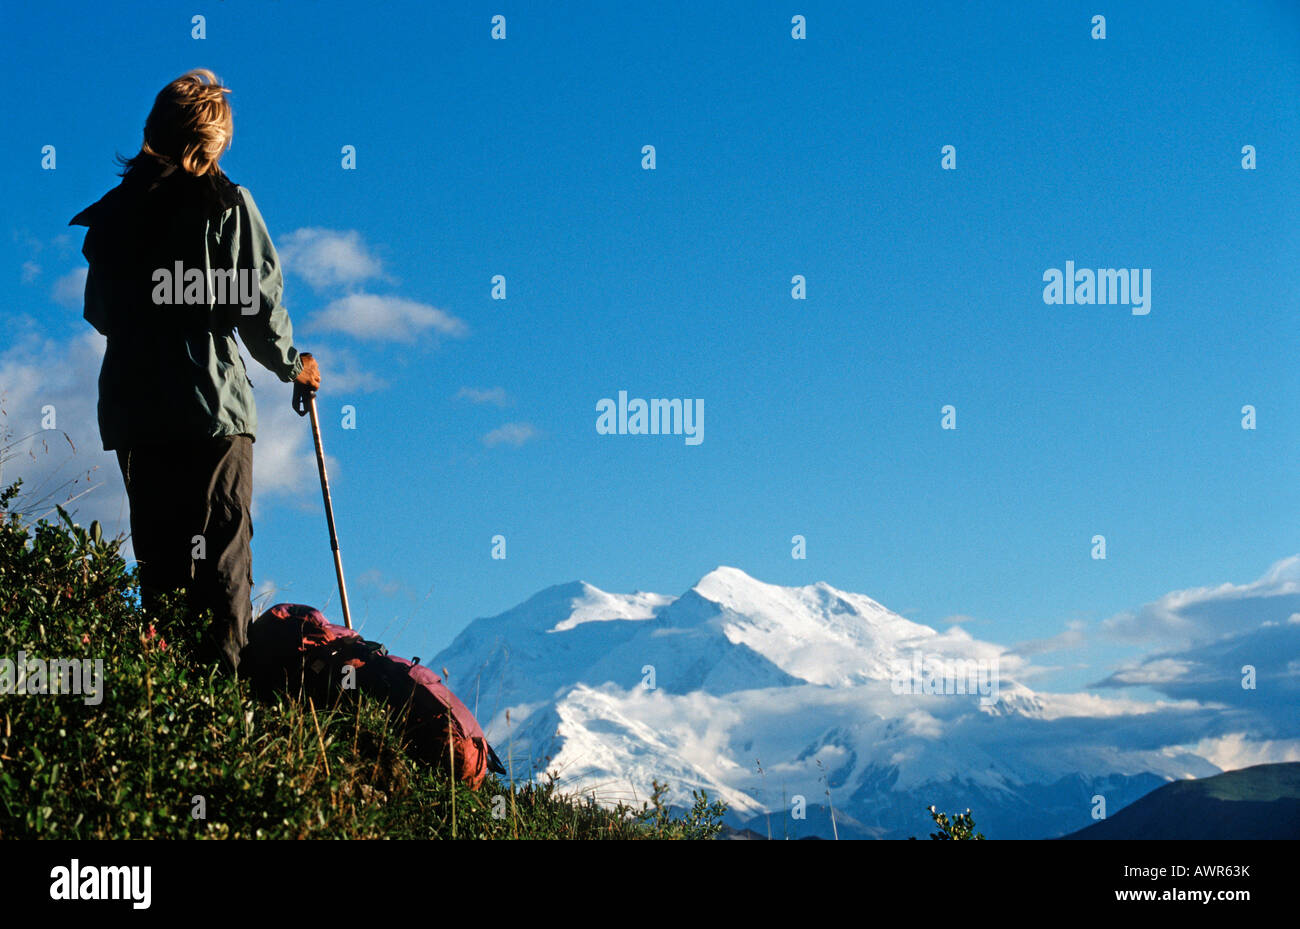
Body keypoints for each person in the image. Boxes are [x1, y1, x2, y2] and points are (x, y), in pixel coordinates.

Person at [69, 69, 321, 672]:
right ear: (205, 145)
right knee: (222, 565)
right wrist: (295, 367)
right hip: (212, 410)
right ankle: (225, 715)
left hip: (136, 410)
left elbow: (99, 314)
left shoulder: (113, 216)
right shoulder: (228, 204)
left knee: (160, 566)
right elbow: (258, 308)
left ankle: (172, 710)